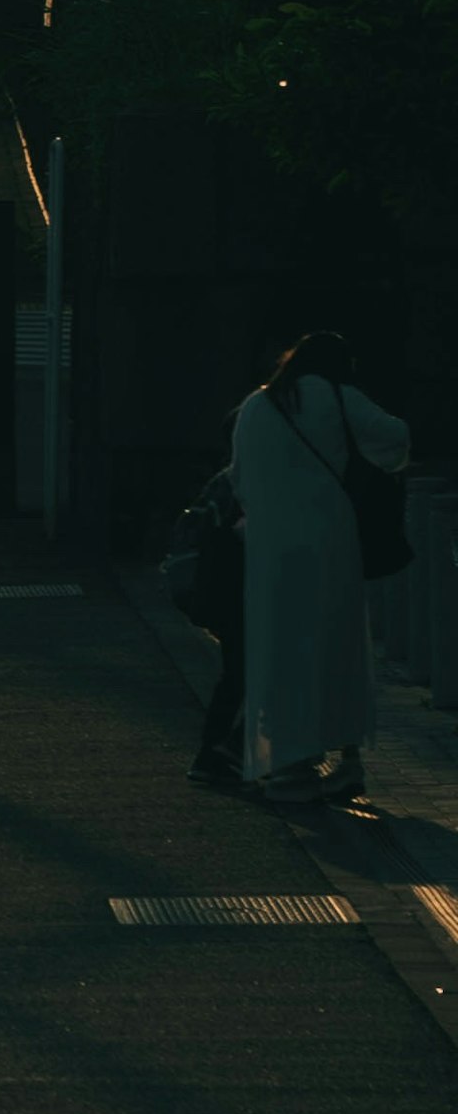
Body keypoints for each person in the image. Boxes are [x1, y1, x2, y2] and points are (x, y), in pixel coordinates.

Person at [229, 329, 408, 809]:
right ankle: (347, 754)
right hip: (330, 539)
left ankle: (289, 761)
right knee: (338, 644)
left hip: (271, 547)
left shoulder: (257, 407)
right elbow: (396, 437)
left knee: (281, 647)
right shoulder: (339, 397)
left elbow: (240, 480)